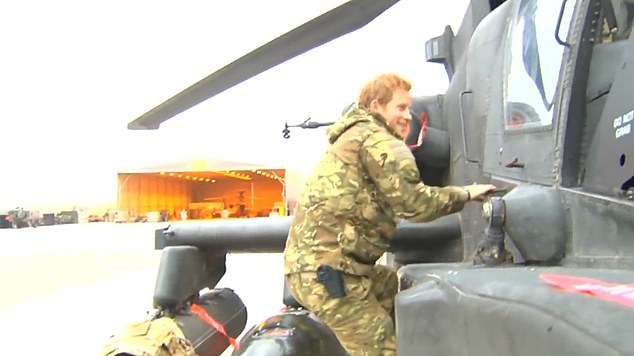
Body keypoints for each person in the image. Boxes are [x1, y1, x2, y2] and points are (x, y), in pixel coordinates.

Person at [283, 73, 496, 356]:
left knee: (395, 288)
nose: (408, 116)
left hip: (332, 267)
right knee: (382, 349)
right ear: (376, 107)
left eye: (409, 108)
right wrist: (467, 194)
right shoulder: (378, 142)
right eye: (400, 108)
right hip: (331, 274)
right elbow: (414, 204)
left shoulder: (353, 136)